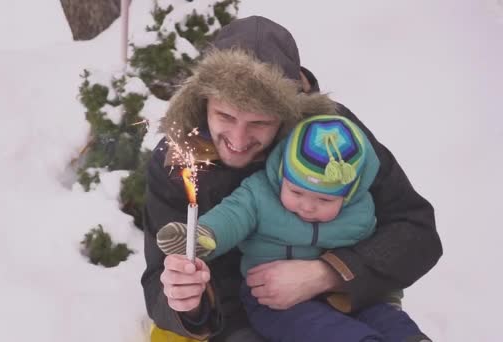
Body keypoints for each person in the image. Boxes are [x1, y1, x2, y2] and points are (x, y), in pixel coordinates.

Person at [141, 15, 442, 342]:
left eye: (259, 123)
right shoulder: (178, 159)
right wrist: (185, 302)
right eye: (225, 116)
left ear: (288, 115)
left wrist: (328, 273)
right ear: (204, 102)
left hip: (343, 300)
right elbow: (160, 278)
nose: (239, 140)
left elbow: (416, 231)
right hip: (232, 314)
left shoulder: (329, 140)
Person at [156, 115, 429, 341]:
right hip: (274, 300)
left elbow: (377, 248)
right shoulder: (260, 194)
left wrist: (384, 293)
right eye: (296, 192)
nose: (308, 206)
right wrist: (202, 237)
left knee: (389, 320)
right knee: (323, 330)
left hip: (345, 293)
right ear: (280, 173)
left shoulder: (360, 209)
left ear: (350, 194)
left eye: (324, 199)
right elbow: (231, 217)